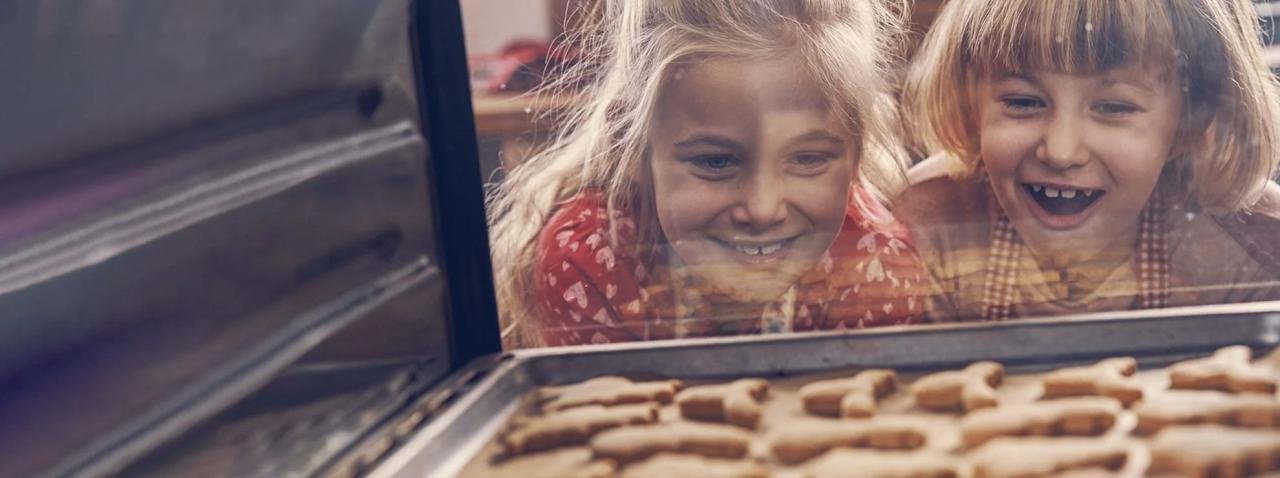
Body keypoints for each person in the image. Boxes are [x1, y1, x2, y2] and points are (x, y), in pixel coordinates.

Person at [487, 0, 926, 348]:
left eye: (808, 158)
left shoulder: (876, 266)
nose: (762, 208)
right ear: (632, 144)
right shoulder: (589, 260)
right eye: (716, 162)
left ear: (856, 153)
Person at [897, 0, 1280, 322]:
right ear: (970, 105)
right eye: (1023, 101)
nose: (1061, 152)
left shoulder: (1251, 244)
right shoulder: (927, 227)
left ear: (1191, 124)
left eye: (1114, 108)